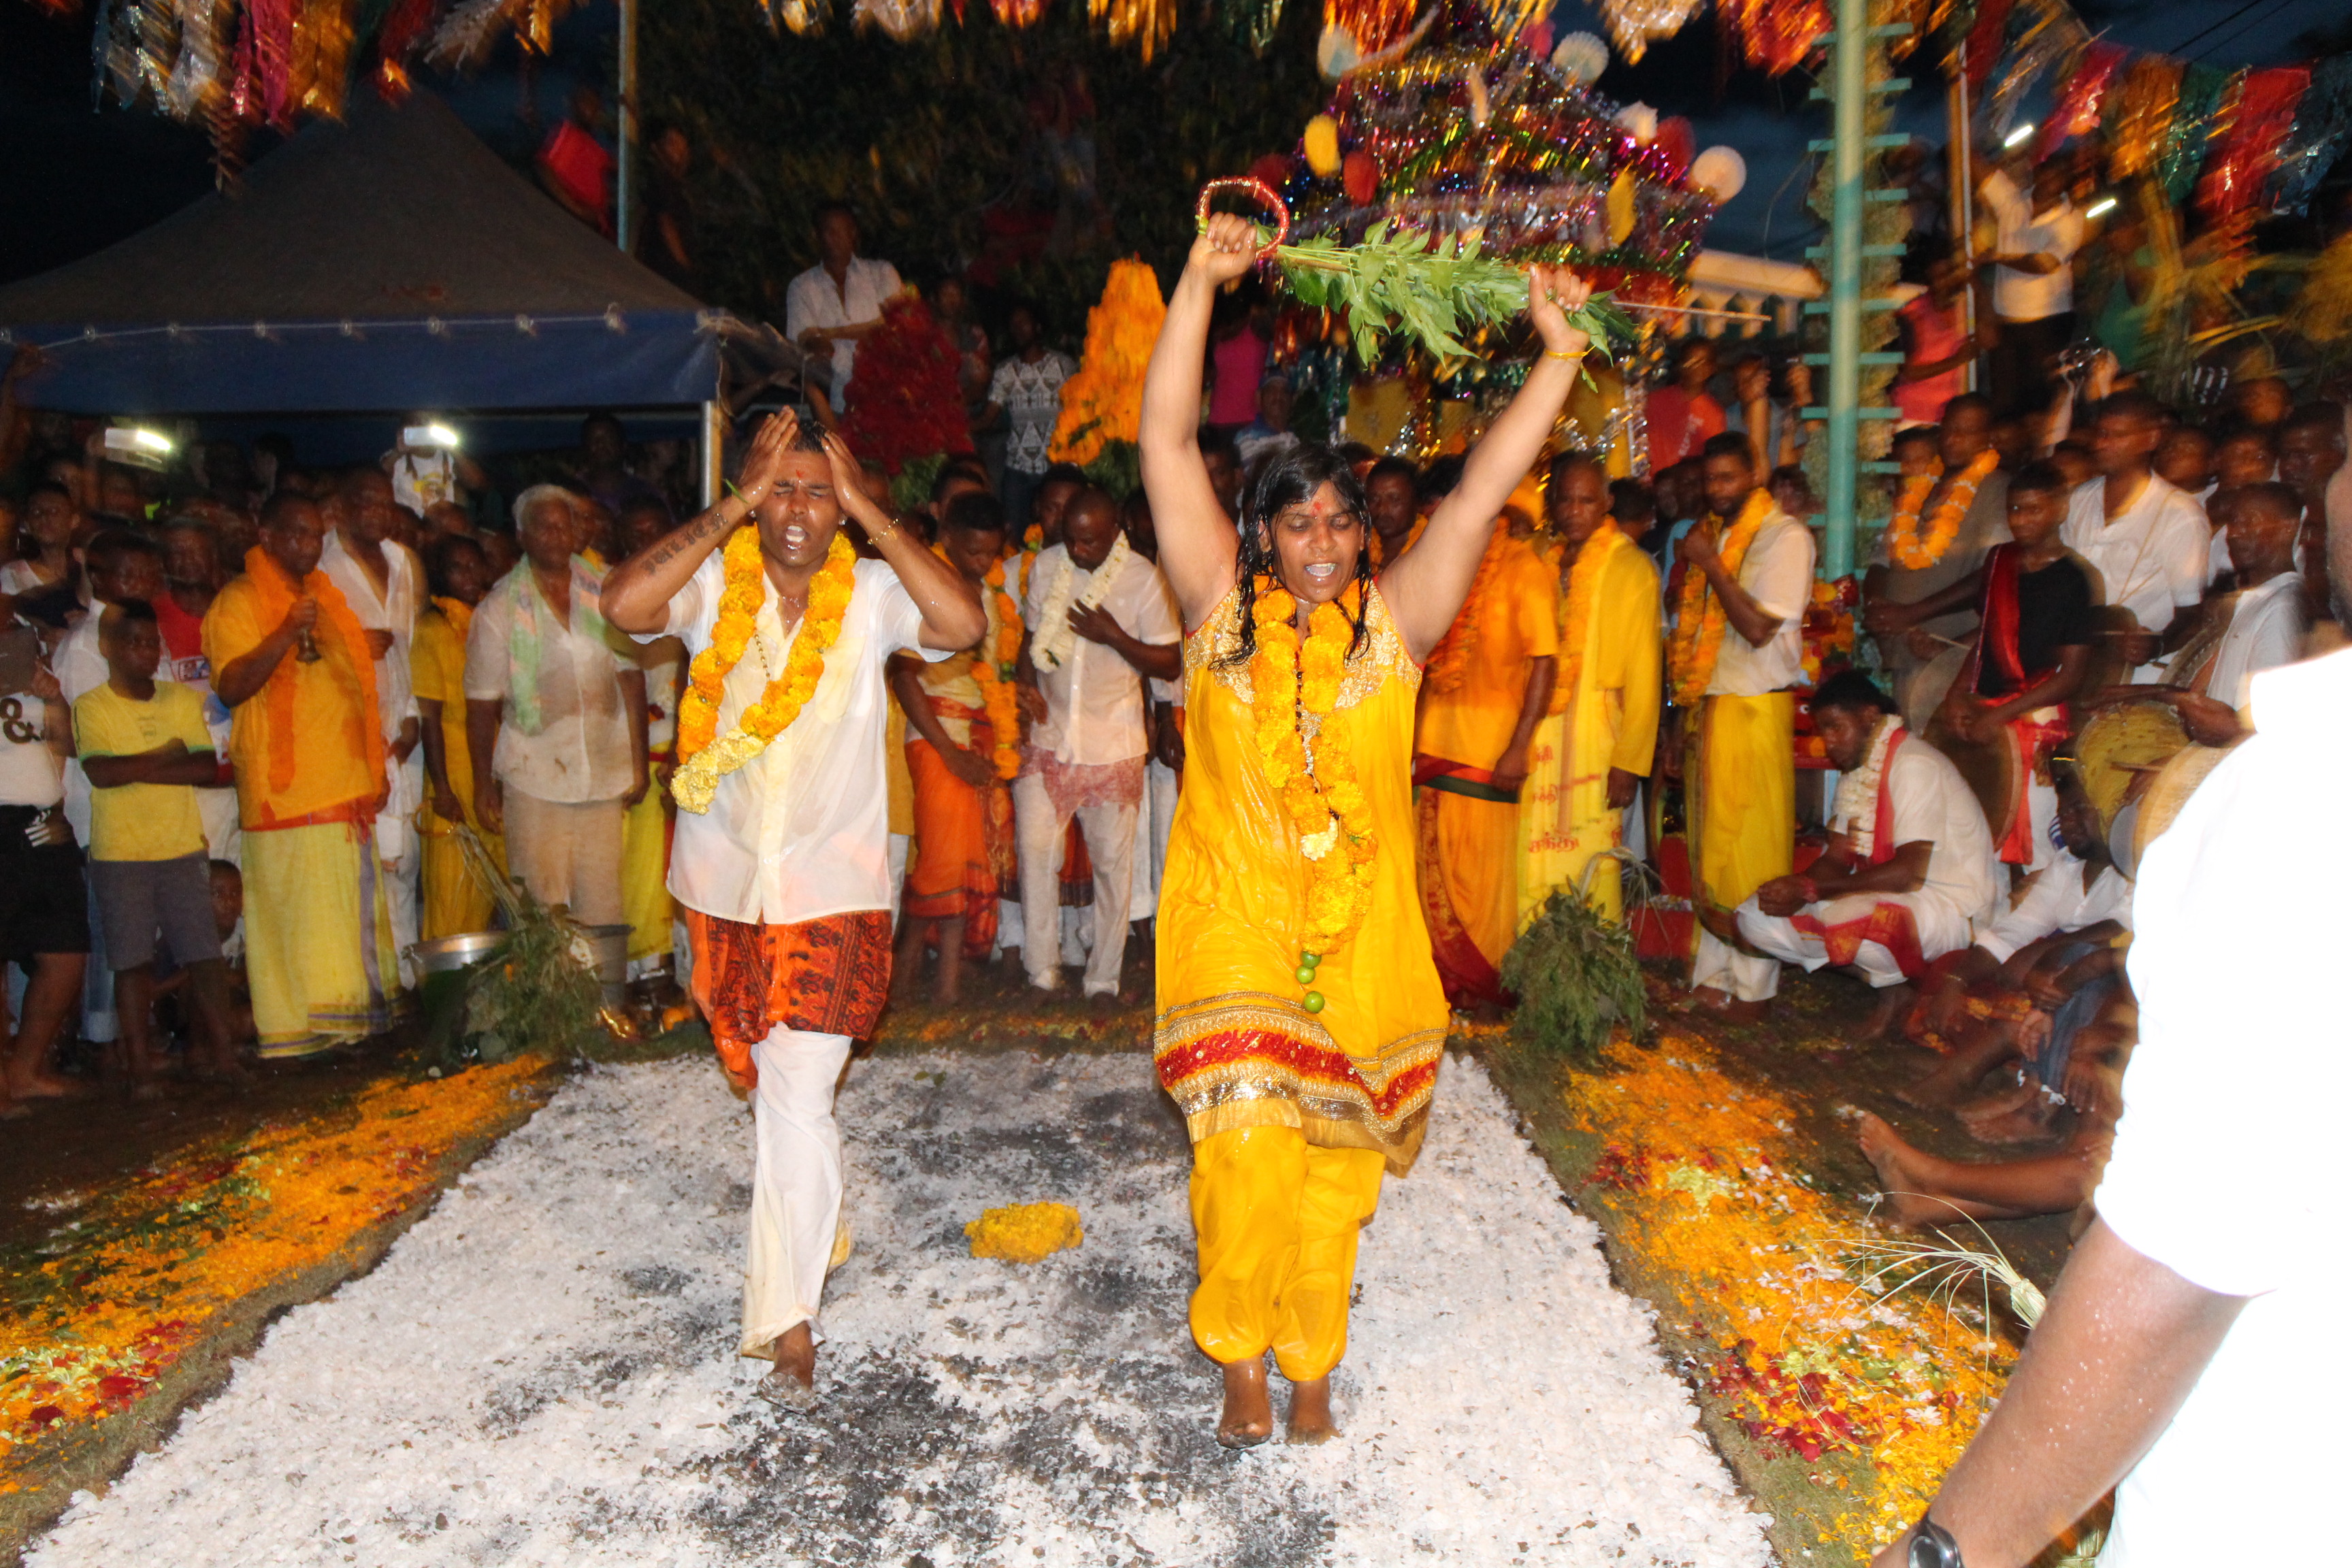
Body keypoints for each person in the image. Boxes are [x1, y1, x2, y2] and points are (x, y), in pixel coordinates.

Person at [1140, 208, 1597, 1448]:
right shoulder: (1212, 614)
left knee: (1333, 1166)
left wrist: (1556, 352)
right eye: (1299, 521)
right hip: (1231, 915)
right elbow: (1167, 438)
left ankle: (1312, 1359)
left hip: (1364, 937)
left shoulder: (1398, 627)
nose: (1325, 543)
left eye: (1343, 520)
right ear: (1261, 533)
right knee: (1245, 1139)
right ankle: (1239, 1350)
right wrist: (1197, 281)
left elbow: (1486, 487)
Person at [1861, 570, 2352, 1568]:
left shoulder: (2307, 783)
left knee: (2111, 1140)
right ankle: (1948, 1178)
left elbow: (2185, 1243)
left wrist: (1955, 1550)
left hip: (2277, 1491)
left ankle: (1947, 1184)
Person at [601, 409, 983, 1409]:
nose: (801, 508)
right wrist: (730, 497)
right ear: (755, 496)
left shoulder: (871, 595)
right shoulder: (709, 588)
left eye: (818, 489)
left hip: (834, 887)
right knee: (770, 1085)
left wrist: (873, 510)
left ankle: (789, 1321)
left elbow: (963, 627)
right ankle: (807, 1238)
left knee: (799, 1094)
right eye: (782, 487)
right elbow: (621, 601)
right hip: (724, 889)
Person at [203, 493, 396, 1058]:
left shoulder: (326, 600)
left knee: (339, 915)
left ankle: (346, 1029)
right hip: (283, 794)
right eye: (294, 534)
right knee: (294, 917)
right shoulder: (238, 600)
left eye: (315, 536)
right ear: (264, 535)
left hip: (343, 788)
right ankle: (300, 1035)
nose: (307, 546)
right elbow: (231, 686)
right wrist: (286, 631)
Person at [1733, 671, 2001, 1036]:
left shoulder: (1914, 765)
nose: (1828, 742)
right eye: (1821, 731)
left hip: (1949, 906)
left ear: (1870, 717)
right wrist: (1796, 885)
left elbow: (1907, 874)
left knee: (1852, 918)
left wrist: (1812, 892)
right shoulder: (1856, 773)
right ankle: (1893, 986)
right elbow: (1836, 860)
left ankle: (1900, 992)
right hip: (1885, 897)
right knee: (1755, 916)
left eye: (1835, 728)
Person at [1011, 487, 1180, 999]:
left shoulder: (1142, 580)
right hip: (1050, 738)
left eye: (1090, 542)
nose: (1079, 551)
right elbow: (1029, 638)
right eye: (1072, 540)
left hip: (1113, 743)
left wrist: (1114, 636)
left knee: (1112, 868)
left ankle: (1103, 977)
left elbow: (1171, 663)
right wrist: (1024, 689)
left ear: (1115, 534)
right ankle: (1041, 970)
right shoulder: (1045, 568)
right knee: (1036, 853)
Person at [1900, 768, 2131, 1135]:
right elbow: (2015, 930)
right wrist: (1956, 981)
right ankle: (2013, 1077)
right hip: (2058, 983)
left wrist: (2047, 951)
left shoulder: (2139, 873)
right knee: (1949, 973)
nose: (2065, 819)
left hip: (2108, 994)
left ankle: (2017, 1091)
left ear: (2113, 815)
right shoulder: (2067, 867)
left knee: (2080, 962)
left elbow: (2122, 932)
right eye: (2063, 810)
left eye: (2079, 810)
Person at [1672, 433, 1814, 1019]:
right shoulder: (1719, 534)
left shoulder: (1786, 537)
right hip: (1713, 707)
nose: (1718, 490)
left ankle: (1753, 986)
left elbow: (1758, 630)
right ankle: (1713, 976)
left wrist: (1708, 564)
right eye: (1711, 480)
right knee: (1712, 852)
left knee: (1752, 851)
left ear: (1755, 473)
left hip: (1755, 709)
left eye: (1729, 478)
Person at [74, 601, 242, 1095]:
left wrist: (137, 765)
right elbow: (100, 775)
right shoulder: (93, 705)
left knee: (203, 955)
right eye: (133, 642)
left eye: (152, 643)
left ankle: (225, 1057)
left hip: (179, 846)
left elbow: (203, 769)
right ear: (108, 648)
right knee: (132, 962)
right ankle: (141, 1071)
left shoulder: (179, 700)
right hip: (122, 852)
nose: (145, 652)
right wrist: (165, 754)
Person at [464, 487, 647, 928]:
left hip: (602, 774)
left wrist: (638, 761)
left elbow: (630, 676)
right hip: (535, 776)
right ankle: (549, 1000)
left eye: (564, 525)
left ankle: (603, 997)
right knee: (541, 909)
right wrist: (483, 783)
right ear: (521, 535)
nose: (555, 534)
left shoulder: (606, 594)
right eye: (543, 526)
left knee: (602, 907)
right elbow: (481, 704)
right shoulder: (499, 608)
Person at [1411, 482, 1560, 1011]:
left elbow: (1545, 661)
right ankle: (1438, 989)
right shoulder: (1439, 564)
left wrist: (1519, 747)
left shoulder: (1524, 567)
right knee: (1431, 872)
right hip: (1433, 741)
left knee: (1479, 882)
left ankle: (1483, 986)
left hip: (1489, 750)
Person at [1931, 460, 2095, 866]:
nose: (2021, 521)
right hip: (1987, 707)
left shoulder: (2075, 579)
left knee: (2033, 840)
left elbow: (2071, 674)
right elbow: (1986, 638)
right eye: (2015, 510)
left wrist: (2003, 714)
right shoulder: (1998, 562)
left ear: (2059, 510)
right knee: (1976, 830)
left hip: (2035, 714)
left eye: (2033, 509)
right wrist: (1956, 696)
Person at [1520, 453, 1660, 924]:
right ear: (1552, 504)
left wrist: (1629, 762)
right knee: (1529, 852)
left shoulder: (1632, 569)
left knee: (1591, 854)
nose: (1575, 511)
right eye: (1565, 500)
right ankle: (1533, 962)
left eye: (1586, 500)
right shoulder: (1539, 561)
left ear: (1607, 502)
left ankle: (1593, 971)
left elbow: (1645, 672)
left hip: (1597, 738)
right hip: (1539, 733)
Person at [890, 493, 1017, 1004]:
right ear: (945, 542)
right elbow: (904, 677)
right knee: (940, 865)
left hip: (978, 733)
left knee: (967, 864)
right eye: (972, 554)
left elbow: (994, 670)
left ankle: (945, 987)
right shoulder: (927, 590)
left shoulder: (991, 595)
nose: (983, 564)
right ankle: (904, 979)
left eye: (990, 554)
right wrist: (948, 752)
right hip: (935, 736)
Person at [320, 470, 426, 983]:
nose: (377, 512)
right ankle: (368, 986)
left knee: (404, 866)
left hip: (402, 731)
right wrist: (349, 646)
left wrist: (411, 721)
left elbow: (412, 650)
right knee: (361, 873)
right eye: (365, 500)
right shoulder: (319, 562)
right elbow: (303, 649)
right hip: (345, 739)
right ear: (339, 507)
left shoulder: (403, 560)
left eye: (386, 503)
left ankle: (406, 981)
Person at [1861, 395, 2013, 728]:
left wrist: (1914, 613)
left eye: (1966, 431)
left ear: (1988, 438)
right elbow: (1881, 560)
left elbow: (1993, 572)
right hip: (1904, 648)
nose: (1952, 439)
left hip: (1948, 652)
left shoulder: (1997, 488)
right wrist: (1876, 603)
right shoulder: (1923, 486)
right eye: (1948, 429)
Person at [2061, 392, 2210, 683]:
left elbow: (2192, 614)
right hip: (2073, 663)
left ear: (2151, 439)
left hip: (2138, 674)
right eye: (2101, 434)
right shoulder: (2080, 499)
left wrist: (2157, 644)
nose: (2103, 444)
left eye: (2118, 436)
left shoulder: (2180, 514)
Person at [2149, 482, 2307, 746]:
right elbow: (2206, 699)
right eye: (2234, 523)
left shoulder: (2282, 607)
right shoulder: (2259, 600)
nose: (2234, 534)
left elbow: (2268, 727)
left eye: (2251, 522)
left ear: (2287, 528)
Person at [0, 636, 86, 1107]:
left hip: (44, 818)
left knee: (65, 950)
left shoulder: (26, 662)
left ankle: (24, 1070)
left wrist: (53, 696)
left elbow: (70, 745)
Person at [413, 534, 502, 941]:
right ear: (439, 575)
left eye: (473, 566)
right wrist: (442, 788)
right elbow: (428, 716)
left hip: (492, 767)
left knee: (490, 887)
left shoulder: (489, 624)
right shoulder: (431, 630)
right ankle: (446, 989)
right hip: (452, 766)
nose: (467, 576)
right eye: (456, 568)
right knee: (452, 887)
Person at [617, 500, 686, 981]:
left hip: (675, 760)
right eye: (636, 534)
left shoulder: (689, 599)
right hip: (622, 765)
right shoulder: (614, 600)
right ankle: (629, 971)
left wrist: (682, 748)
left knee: (665, 872)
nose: (647, 544)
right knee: (627, 870)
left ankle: (662, 971)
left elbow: (696, 682)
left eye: (654, 533)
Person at [151, 517, 240, 862]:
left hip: (244, 784)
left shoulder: (238, 610)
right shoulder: (150, 615)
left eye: (197, 551)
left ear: (215, 556)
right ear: (163, 561)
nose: (187, 559)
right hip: (186, 792)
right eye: (177, 551)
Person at [1978, 152, 2085, 419]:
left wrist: (1997, 257)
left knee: (2040, 408)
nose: (2053, 179)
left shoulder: (2070, 220)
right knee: (2004, 408)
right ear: (2037, 172)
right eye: (2049, 171)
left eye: (2062, 175)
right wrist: (1967, 119)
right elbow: (1978, 167)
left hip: (2046, 326)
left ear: (2068, 182)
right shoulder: (2013, 203)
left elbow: (2043, 265)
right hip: (2007, 324)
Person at [785, 203, 904, 410]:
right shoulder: (801, 287)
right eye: (830, 231)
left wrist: (830, 332)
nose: (837, 238)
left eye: (844, 230)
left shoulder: (882, 274)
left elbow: (897, 327)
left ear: (854, 233)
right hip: (834, 401)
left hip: (887, 395)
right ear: (817, 236)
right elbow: (803, 341)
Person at [981, 302, 1074, 532]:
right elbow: (988, 417)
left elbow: (1079, 410)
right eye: (1014, 325)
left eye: (1024, 323)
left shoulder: (1063, 365)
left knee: (1057, 533)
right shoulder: (1005, 370)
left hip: (1055, 466)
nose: (1019, 329)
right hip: (1018, 467)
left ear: (1038, 327)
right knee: (1015, 533)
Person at [2275, 400, 2345, 632]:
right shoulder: (2290, 515)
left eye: (2302, 455)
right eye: (2285, 456)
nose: (2290, 467)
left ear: (2340, 449)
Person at [1894, 242, 1975, 428]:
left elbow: (1990, 339)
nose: (1943, 281)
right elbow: (1908, 372)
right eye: (1938, 275)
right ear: (1929, 277)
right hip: (1910, 414)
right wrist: (1956, 360)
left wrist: (1977, 286)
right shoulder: (1913, 312)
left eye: (1948, 274)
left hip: (1947, 417)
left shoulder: (1965, 310)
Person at [537, 84, 615, 238]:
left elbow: (620, 166)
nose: (593, 111)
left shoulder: (594, 147)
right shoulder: (565, 133)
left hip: (595, 228)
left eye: (597, 107)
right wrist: (576, 210)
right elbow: (543, 168)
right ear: (573, 104)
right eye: (587, 103)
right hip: (571, 224)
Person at [1646, 338, 1726, 471]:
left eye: (1704, 362)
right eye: (1692, 361)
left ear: (1712, 368)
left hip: (1689, 486)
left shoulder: (1715, 413)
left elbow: (1711, 458)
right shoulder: (1656, 400)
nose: (1698, 367)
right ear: (1681, 365)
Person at [637, 120, 699, 293]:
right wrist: (683, 264)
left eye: (681, 147)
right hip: (665, 272)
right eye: (672, 144)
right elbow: (666, 224)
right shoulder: (660, 180)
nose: (677, 151)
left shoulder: (679, 188)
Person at [1362, 457, 1422, 567]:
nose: (1382, 509)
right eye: (1374, 499)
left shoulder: (1431, 546)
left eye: (1394, 500)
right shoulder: (1361, 547)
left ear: (1417, 501)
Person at [1234, 376, 1299, 471]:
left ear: (1292, 399)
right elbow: (1254, 478)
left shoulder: (1297, 438)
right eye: (1272, 390)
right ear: (1259, 397)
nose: (1278, 397)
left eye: (1284, 391)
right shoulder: (1247, 437)